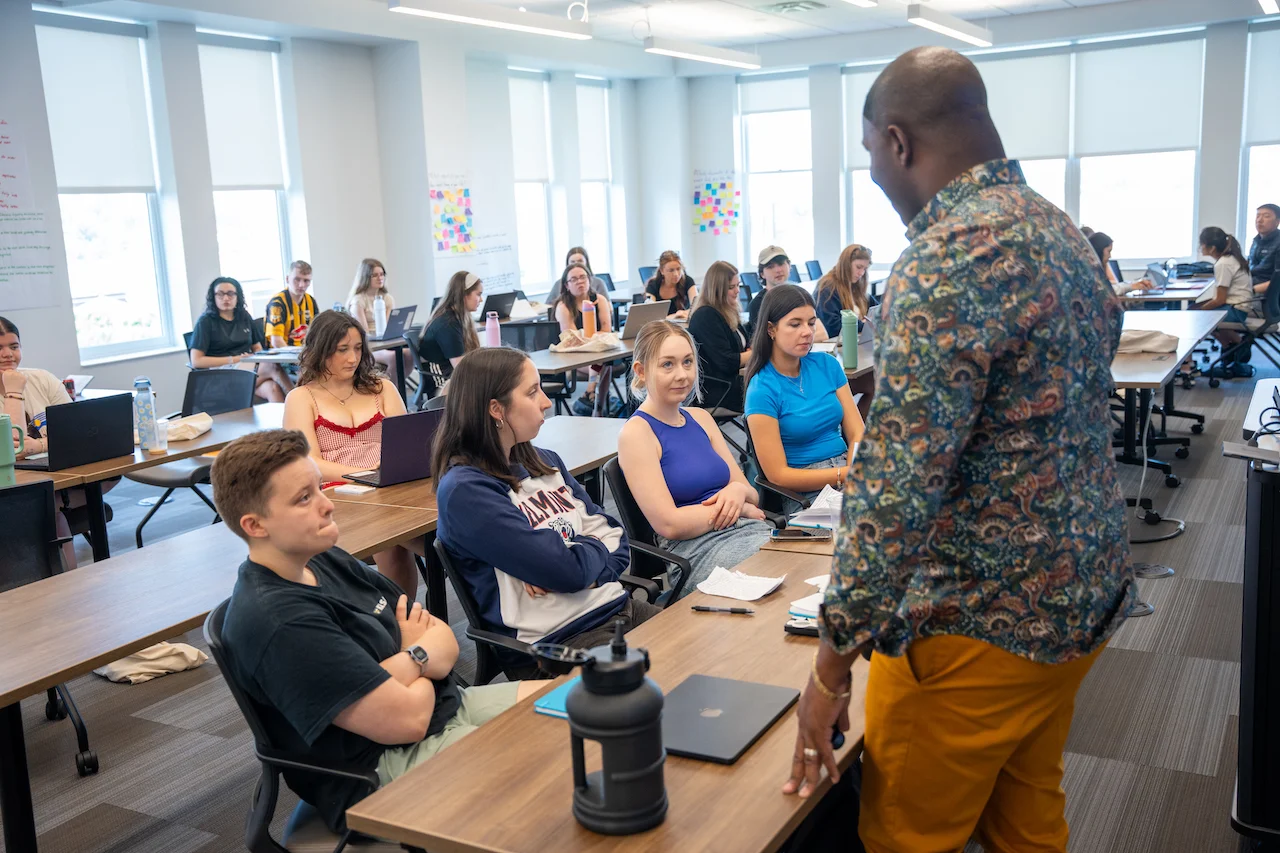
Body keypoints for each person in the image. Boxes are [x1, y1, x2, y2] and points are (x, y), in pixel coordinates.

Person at [782, 48, 1133, 853]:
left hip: (977, 622)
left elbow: (896, 489)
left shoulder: (946, 258)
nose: (874, 172)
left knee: (908, 838)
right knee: (1026, 820)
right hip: (1078, 597)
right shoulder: (1061, 231)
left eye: (870, 152)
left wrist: (830, 669)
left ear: (897, 142)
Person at [211, 428, 541, 834]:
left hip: (450, 706)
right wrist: (418, 654)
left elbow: (442, 637)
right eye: (304, 498)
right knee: (550, 773)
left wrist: (407, 661)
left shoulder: (322, 558)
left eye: (319, 488)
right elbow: (409, 720)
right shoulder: (279, 621)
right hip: (380, 770)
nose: (328, 505)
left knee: (576, 705)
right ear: (255, 525)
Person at [433, 347, 660, 679]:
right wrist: (580, 556)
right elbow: (566, 571)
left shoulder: (545, 460)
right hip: (558, 643)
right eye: (532, 392)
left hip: (617, 607)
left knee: (710, 650)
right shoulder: (465, 491)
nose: (546, 402)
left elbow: (616, 538)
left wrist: (580, 567)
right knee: (671, 686)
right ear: (496, 409)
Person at [617, 321, 772, 595]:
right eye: (668, 364)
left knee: (804, 563)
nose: (682, 374)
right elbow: (670, 524)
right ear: (641, 371)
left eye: (687, 362)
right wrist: (739, 508)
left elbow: (750, 494)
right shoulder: (637, 433)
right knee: (775, 572)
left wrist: (738, 492)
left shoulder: (701, 418)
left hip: (746, 530)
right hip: (696, 551)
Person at [282, 310, 417, 598]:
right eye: (342, 349)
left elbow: (406, 443)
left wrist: (384, 473)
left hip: (391, 485)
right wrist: (366, 475)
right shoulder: (302, 398)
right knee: (392, 537)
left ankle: (455, 572)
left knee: (436, 529)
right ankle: (402, 616)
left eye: (357, 348)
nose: (353, 358)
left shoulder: (382, 388)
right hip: (340, 492)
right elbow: (308, 463)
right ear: (320, 350)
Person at [0, 316, 116, 568]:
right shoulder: (18, 384)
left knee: (107, 476)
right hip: (12, 487)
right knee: (45, 509)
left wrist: (39, 446)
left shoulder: (41, 378)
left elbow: (76, 430)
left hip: (59, 477)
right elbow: (13, 449)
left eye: (14, 346)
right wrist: (13, 392)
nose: (8, 354)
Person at [744, 285, 864, 508]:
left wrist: (852, 470)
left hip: (847, 467)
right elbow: (778, 476)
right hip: (807, 490)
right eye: (795, 324)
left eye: (811, 322)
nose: (807, 332)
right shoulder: (762, 389)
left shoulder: (827, 365)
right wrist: (843, 475)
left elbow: (857, 431)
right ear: (771, 329)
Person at [189, 277, 292, 402]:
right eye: (220, 294)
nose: (226, 298)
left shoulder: (244, 317)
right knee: (272, 367)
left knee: (272, 388)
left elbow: (257, 348)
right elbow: (196, 361)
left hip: (246, 367)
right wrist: (235, 359)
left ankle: (290, 414)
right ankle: (299, 400)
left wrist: (256, 358)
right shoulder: (205, 322)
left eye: (230, 294)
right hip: (219, 373)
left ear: (237, 296)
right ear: (213, 297)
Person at [814, 244, 879, 420]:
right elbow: (833, 325)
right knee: (872, 384)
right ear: (846, 263)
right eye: (858, 267)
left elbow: (875, 311)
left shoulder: (857, 286)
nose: (861, 273)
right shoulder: (828, 287)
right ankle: (853, 429)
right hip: (836, 353)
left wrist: (866, 323)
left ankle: (856, 428)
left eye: (865, 269)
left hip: (856, 348)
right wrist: (862, 325)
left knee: (874, 382)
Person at [688, 260, 750, 414]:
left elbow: (746, 345)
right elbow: (727, 362)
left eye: (738, 285)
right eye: (731, 287)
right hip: (719, 391)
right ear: (717, 289)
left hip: (733, 382)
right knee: (772, 394)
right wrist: (757, 353)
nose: (737, 291)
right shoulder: (706, 316)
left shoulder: (728, 311)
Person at [1196, 226, 1257, 379]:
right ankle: (1232, 348)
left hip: (1236, 310)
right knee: (1197, 310)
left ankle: (1237, 345)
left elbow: (1220, 300)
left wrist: (1199, 311)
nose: (1200, 247)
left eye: (1202, 244)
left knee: (1198, 317)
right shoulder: (1231, 258)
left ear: (1211, 248)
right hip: (1241, 307)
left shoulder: (1223, 264)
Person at [555, 262, 615, 415]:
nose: (580, 282)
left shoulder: (600, 300)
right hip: (574, 355)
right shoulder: (563, 307)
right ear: (567, 285)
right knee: (603, 363)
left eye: (583, 277)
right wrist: (595, 338)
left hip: (600, 352)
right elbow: (574, 340)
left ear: (589, 280)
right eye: (574, 279)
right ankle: (595, 399)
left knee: (604, 362)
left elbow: (606, 331)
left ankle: (592, 396)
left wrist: (591, 338)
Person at [345, 258, 414, 380]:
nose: (380, 278)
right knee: (394, 357)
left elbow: (388, 327)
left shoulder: (387, 298)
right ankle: (390, 387)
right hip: (369, 347)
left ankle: (395, 385)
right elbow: (363, 333)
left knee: (410, 354)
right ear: (366, 277)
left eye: (382, 274)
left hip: (385, 343)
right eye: (375, 275)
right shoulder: (358, 301)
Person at [418, 271, 483, 398]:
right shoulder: (448, 324)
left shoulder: (458, 317)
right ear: (464, 295)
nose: (481, 299)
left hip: (451, 374)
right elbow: (460, 367)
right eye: (478, 294)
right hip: (442, 381)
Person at [265, 260, 317, 348]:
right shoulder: (277, 303)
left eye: (306, 281)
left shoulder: (311, 301)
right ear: (287, 279)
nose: (301, 285)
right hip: (281, 353)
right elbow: (276, 342)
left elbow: (318, 333)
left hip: (304, 351)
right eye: (297, 279)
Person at [1087, 232, 1152, 296]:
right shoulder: (1089, 271)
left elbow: (1112, 286)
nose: (1110, 256)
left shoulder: (1095, 269)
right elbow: (1107, 291)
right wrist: (1132, 286)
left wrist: (1135, 284)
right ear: (1099, 250)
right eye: (1109, 251)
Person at [747, 246, 794, 332]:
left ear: (789, 266)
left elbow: (818, 330)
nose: (778, 270)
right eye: (770, 267)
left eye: (781, 264)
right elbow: (761, 337)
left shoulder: (798, 296)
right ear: (762, 274)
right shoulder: (758, 304)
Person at [545, 246, 610, 304]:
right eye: (572, 262)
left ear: (586, 263)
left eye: (580, 261)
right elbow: (548, 306)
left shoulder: (598, 282)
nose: (576, 264)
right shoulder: (559, 284)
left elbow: (609, 307)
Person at [644, 250, 696, 320]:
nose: (676, 274)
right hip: (661, 325)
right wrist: (674, 316)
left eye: (678, 269)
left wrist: (684, 313)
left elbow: (697, 306)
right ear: (662, 271)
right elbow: (651, 314)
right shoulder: (653, 285)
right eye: (671, 270)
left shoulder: (688, 281)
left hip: (682, 323)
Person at [1250, 203, 1280, 289]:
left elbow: (1278, 280)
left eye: (1266, 216)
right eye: (1258, 216)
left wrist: (1252, 290)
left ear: (1277, 222)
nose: (1259, 220)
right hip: (1249, 285)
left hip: (1267, 292)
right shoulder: (1256, 241)